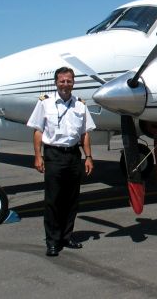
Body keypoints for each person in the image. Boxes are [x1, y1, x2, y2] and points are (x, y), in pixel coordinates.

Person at [26, 67, 96, 257]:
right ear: (56, 83)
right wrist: (37, 156)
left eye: (69, 81)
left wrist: (88, 157)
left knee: (71, 200)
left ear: (73, 83)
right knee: (53, 200)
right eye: (62, 81)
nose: (65, 84)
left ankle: (66, 236)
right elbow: (38, 131)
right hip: (54, 155)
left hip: (73, 155)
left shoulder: (80, 105)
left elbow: (84, 133)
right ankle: (53, 241)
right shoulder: (45, 104)